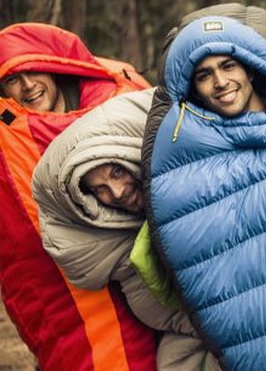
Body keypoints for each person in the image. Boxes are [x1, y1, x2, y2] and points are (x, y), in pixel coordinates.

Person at [143, 14, 266, 370]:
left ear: (249, 67)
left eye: (228, 65)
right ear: (191, 87)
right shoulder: (183, 155)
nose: (220, 82)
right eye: (204, 75)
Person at [0, 22, 157, 370]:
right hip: (77, 304)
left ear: (55, 66)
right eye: (13, 78)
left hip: (152, 280)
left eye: (33, 70)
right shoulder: (8, 142)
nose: (28, 86)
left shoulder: (119, 97)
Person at [31, 88, 221, 370]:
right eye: (100, 190)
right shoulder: (124, 250)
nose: (117, 192)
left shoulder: (203, 184)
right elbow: (156, 310)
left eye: (117, 172)